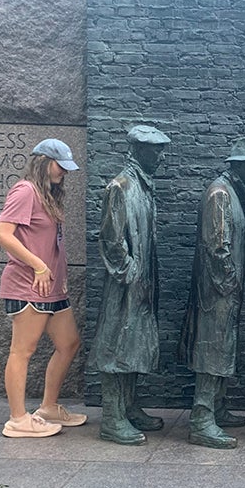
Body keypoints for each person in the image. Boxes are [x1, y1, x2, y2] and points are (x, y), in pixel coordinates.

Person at [178, 137, 245, 449]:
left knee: (222, 348)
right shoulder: (220, 193)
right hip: (218, 290)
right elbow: (218, 247)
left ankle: (217, 406)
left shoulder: (234, 191)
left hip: (226, 289)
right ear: (239, 164)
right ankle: (202, 419)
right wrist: (229, 282)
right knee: (212, 350)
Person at [0, 138, 85, 438]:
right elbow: (3, 234)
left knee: (69, 343)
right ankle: (18, 419)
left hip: (53, 288)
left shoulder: (47, 195)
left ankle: (47, 407)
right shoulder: (25, 191)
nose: (64, 173)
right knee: (22, 350)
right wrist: (39, 265)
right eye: (61, 166)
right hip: (28, 285)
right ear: (44, 162)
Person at [89, 123, 171, 445]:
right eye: (156, 151)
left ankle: (129, 406)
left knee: (133, 345)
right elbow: (111, 238)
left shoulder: (143, 186)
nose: (161, 157)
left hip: (141, 284)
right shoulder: (122, 186)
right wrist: (130, 271)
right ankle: (112, 417)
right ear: (139, 151)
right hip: (125, 286)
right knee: (116, 347)